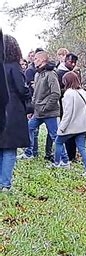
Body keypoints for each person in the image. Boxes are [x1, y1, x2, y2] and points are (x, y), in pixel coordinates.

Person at [24, 51, 69, 165]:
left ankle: (64, 160)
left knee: (54, 136)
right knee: (29, 128)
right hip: (38, 112)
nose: (34, 61)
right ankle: (29, 153)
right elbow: (36, 94)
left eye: (36, 59)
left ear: (43, 60)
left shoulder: (51, 74)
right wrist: (32, 108)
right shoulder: (37, 74)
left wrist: (46, 107)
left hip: (49, 113)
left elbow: (56, 93)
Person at [0, 34, 31, 191]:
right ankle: (5, 184)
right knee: (10, 149)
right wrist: (29, 92)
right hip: (12, 111)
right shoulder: (13, 67)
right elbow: (21, 89)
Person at [53, 71, 86, 176]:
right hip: (83, 125)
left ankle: (57, 163)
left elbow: (67, 113)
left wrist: (61, 127)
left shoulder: (68, 94)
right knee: (82, 148)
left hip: (71, 126)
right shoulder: (84, 92)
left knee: (58, 142)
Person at [56, 52, 79, 162]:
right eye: (71, 62)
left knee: (74, 131)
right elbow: (57, 91)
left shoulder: (75, 72)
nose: (73, 64)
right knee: (65, 131)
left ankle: (72, 155)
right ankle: (65, 156)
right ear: (65, 61)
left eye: (75, 62)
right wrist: (68, 91)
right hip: (63, 105)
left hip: (75, 105)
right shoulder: (59, 73)